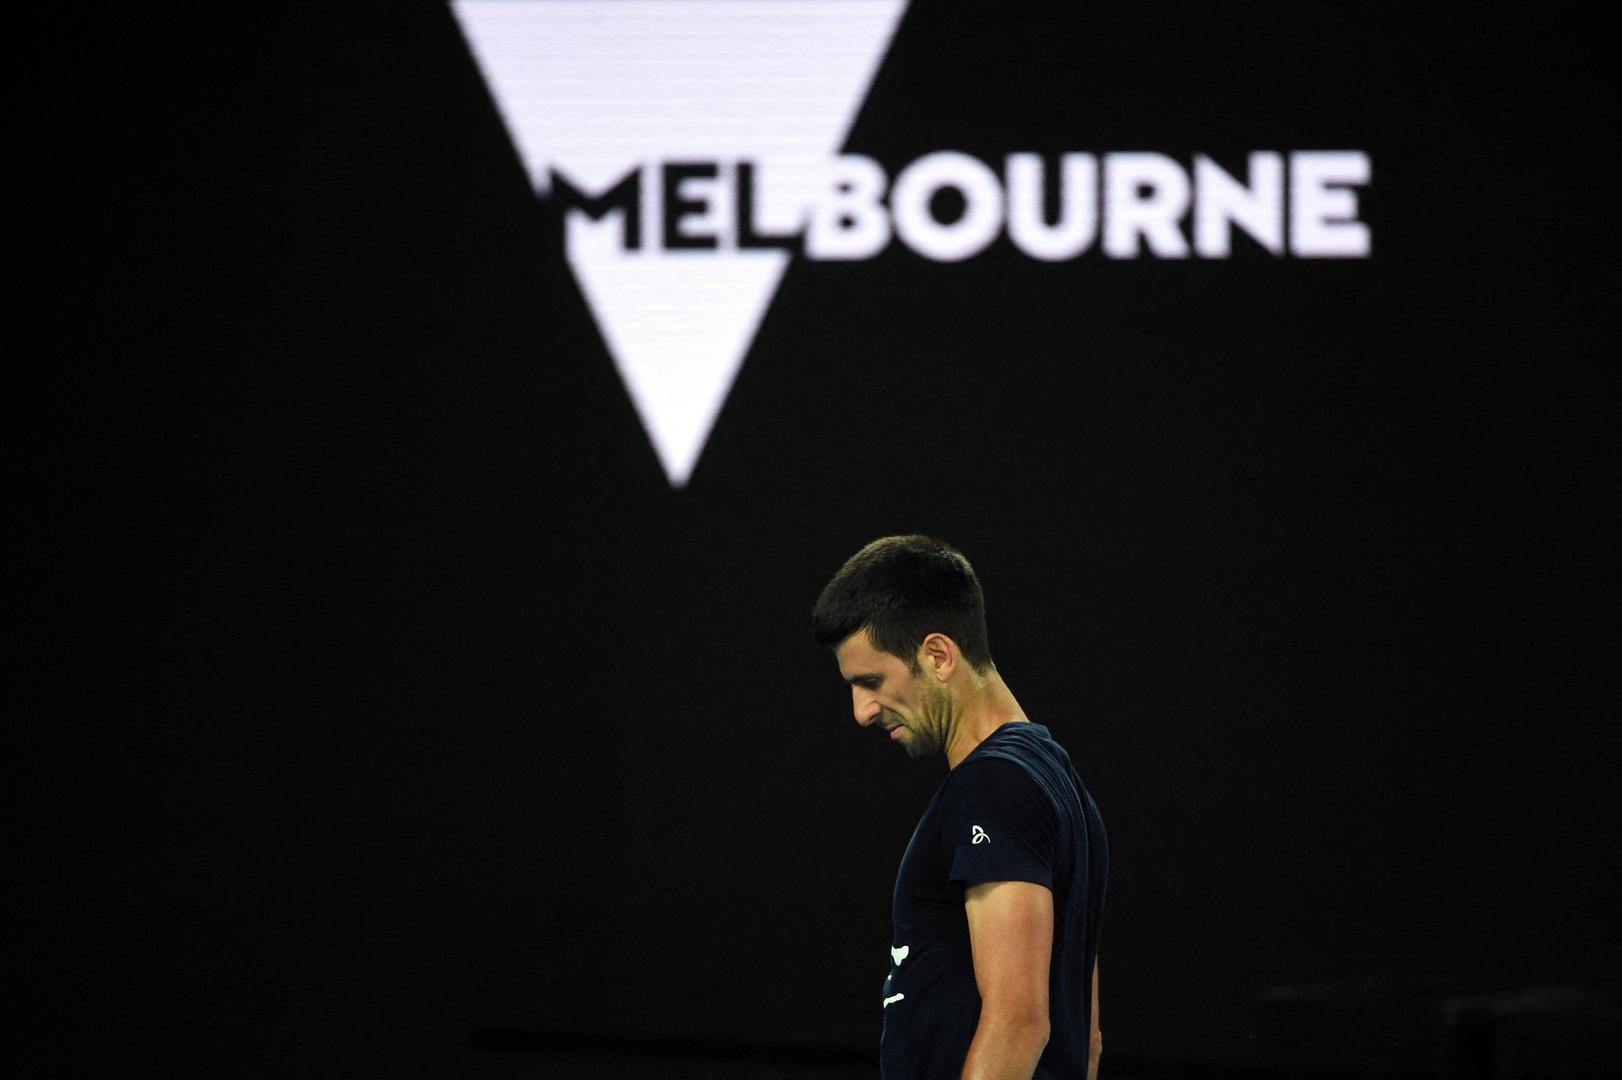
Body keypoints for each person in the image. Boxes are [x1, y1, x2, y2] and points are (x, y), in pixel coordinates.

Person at [811, 535, 1108, 1080]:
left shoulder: (994, 788)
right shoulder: (1056, 781)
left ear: (939, 656)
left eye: (871, 681)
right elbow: (1085, 1039)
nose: (861, 711)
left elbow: (1019, 1023)